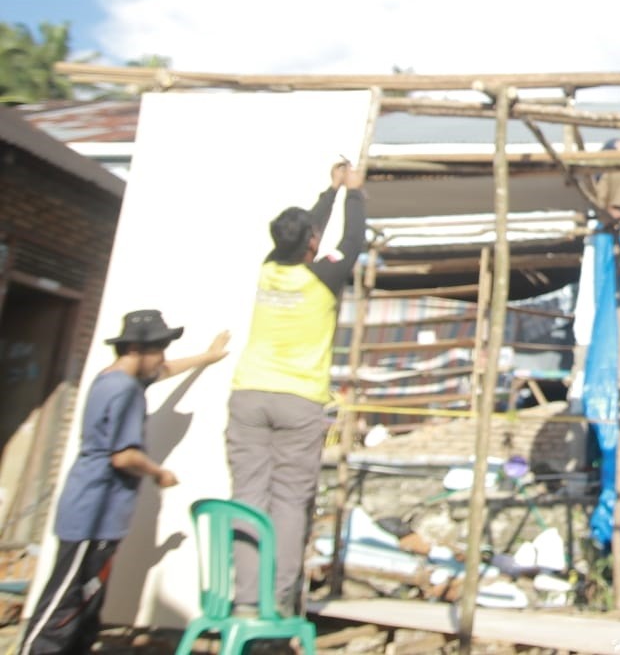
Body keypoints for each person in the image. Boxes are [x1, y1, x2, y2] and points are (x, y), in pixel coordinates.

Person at [20, 311, 228, 655]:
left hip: (101, 513)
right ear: (134, 349)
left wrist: (208, 356)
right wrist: (159, 473)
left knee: (88, 599)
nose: (162, 357)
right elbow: (124, 456)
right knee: (64, 599)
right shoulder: (125, 391)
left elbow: (164, 371)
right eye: (158, 349)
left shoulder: (114, 379)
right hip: (93, 511)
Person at [228, 160, 366, 615]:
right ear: (312, 243)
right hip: (298, 399)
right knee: (289, 502)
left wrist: (330, 191)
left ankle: (246, 600)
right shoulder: (322, 277)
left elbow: (305, 235)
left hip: (249, 394)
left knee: (249, 497)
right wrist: (354, 192)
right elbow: (352, 241)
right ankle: (279, 601)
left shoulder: (269, 269)